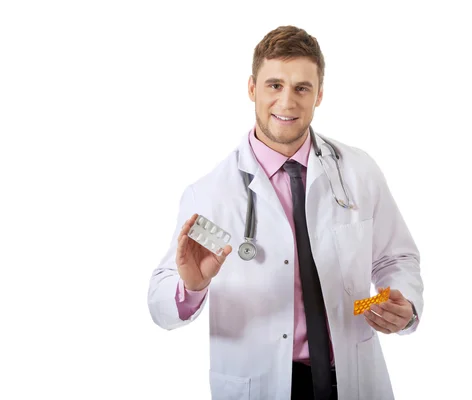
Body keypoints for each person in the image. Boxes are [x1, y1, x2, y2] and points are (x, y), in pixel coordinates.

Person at [147, 25, 424, 400]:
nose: (287, 102)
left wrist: (403, 302)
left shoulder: (358, 171)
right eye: (274, 85)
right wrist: (191, 287)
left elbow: (396, 257)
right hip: (260, 382)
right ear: (252, 89)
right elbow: (160, 305)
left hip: (353, 376)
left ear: (319, 95)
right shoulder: (211, 193)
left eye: (302, 88)